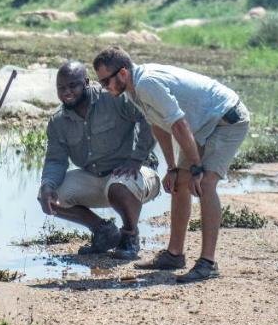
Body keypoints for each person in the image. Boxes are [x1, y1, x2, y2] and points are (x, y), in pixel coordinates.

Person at [92, 46, 251, 283]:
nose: (105, 87)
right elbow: (159, 125)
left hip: (227, 120)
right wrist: (173, 168)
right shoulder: (133, 90)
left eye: (106, 82)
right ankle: (174, 255)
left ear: (123, 73)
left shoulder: (147, 84)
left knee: (205, 184)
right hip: (200, 125)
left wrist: (196, 168)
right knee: (178, 184)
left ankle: (208, 263)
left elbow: (178, 124)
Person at [37, 61, 160, 260]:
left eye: (72, 86)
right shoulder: (58, 121)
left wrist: (137, 158)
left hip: (136, 174)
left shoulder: (114, 97)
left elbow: (149, 117)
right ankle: (104, 231)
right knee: (50, 197)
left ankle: (130, 236)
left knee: (118, 187)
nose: (67, 92)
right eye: (61, 88)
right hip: (95, 178)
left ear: (86, 82)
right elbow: (55, 160)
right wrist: (47, 185)